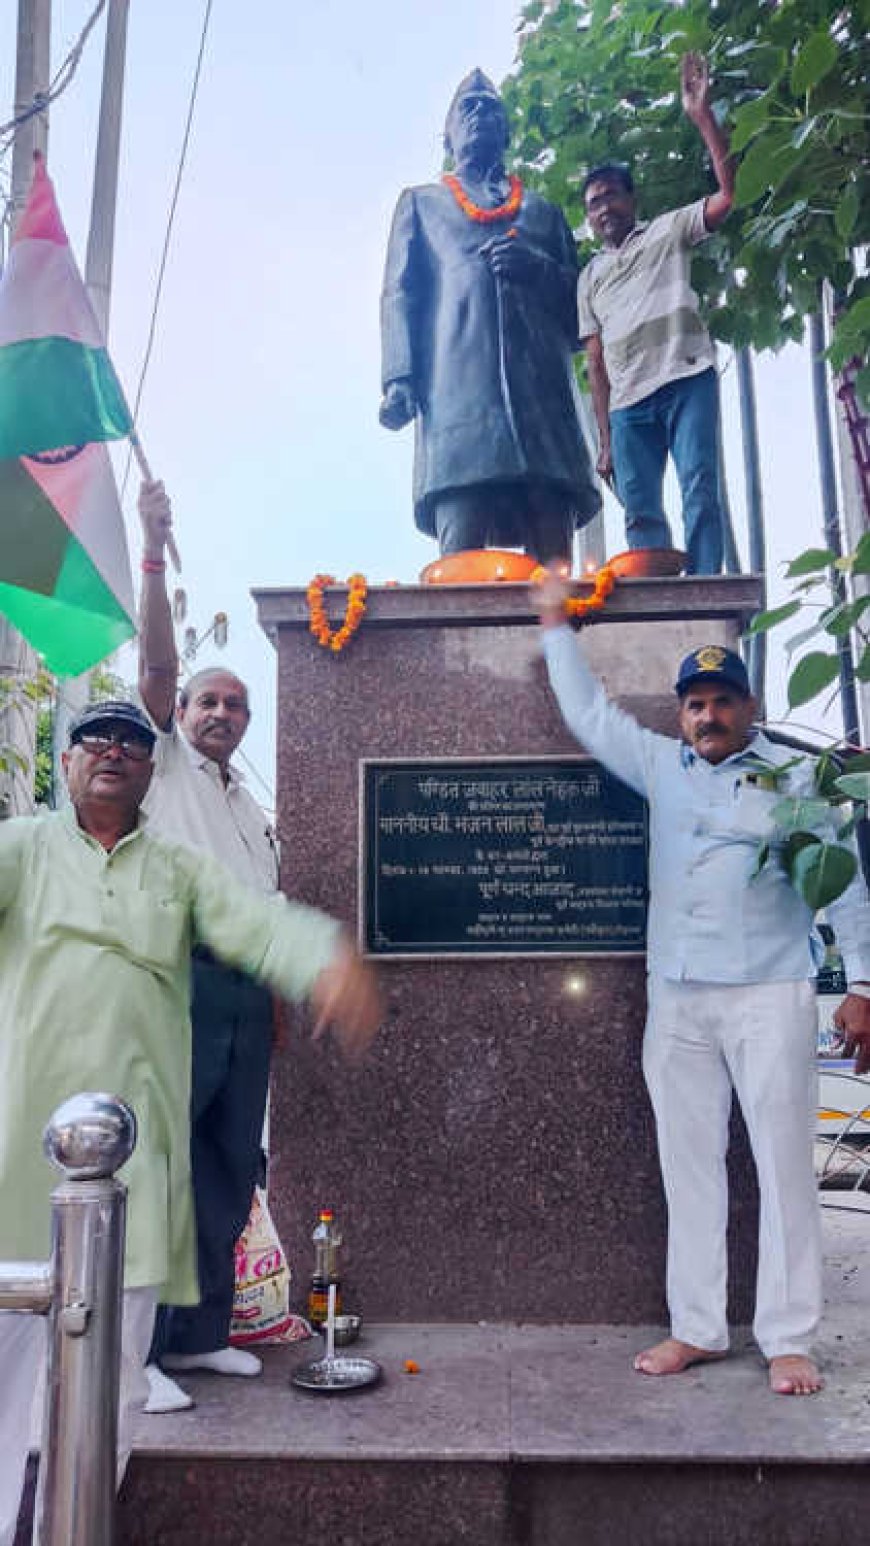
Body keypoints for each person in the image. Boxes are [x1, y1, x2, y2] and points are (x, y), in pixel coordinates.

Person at [0, 698, 381, 1546]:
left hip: (132, 1171)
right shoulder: (21, 851)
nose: (114, 751)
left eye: (133, 743)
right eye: (95, 738)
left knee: (109, 1390)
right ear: (64, 765)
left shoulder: (175, 865)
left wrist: (325, 961)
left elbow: (255, 921)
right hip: (19, 1167)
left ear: (149, 771)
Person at [537, 572, 870, 1395]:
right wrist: (554, 626)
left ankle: (788, 1336)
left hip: (769, 994)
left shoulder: (797, 782)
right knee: (687, 1165)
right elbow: (589, 714)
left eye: (723, 701)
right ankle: (698, 1328)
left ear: (749, 708)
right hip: (677, 998)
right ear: (680, 712)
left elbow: (843, 882)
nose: (707, 715)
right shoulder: (660, 765)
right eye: (694, 703)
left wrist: (862, 984)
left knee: (785, 1165)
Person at [135, 481, 299, 1412]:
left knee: (232, 1161)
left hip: (243, 996)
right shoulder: (163, 766)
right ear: (182, 710)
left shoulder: (247, 806)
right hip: (179, 986)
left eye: (237, 706)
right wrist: (155, 549)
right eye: (209, 700)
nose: (223, 714)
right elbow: (158, 664)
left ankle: (200, 1337)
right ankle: (142, 1351)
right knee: (165, 1166)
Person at [379, 67, 600, 564]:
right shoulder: (422, 204)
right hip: (459, 397)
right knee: (460, 546)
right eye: (469, 107)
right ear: (448, 135)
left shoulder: (543, 212)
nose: (481, 114)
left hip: (543, 401)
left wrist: (539, 270)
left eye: (491, 108)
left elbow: (581, 312)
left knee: (554, 561)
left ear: (507, 131)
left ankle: (562, 644)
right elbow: (398, 293)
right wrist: (399, 378)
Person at [577, 53, 735, 575]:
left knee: (700, 486)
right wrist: (604, 439)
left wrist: (702, 118)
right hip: (628, 406)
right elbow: (594, 366)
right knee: (640, 510)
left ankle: (708, 584)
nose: (603, 209)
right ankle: (657, 596)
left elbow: (727, 197)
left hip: (686, 377)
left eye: (611, 197)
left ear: (631, 199)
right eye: (594, 203)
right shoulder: (590, 278)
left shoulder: (668, 231)